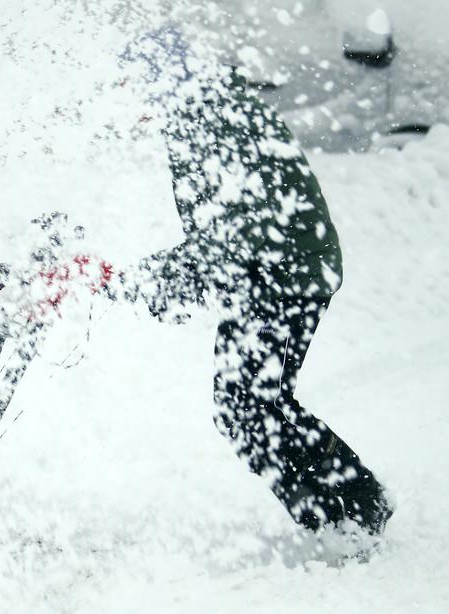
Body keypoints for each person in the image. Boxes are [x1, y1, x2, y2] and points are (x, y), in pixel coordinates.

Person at [123, 28, 393, 535]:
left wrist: (179, 271)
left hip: (286, 273)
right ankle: (343, 509)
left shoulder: (212, 115)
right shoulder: (202, 109)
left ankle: (351, 504)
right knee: (251, 405)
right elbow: (225, 223)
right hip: (272, 271)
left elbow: (245, 218)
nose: (131, 96)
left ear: (160, 79)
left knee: (248, 406)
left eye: (136, 82)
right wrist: (187, 275)